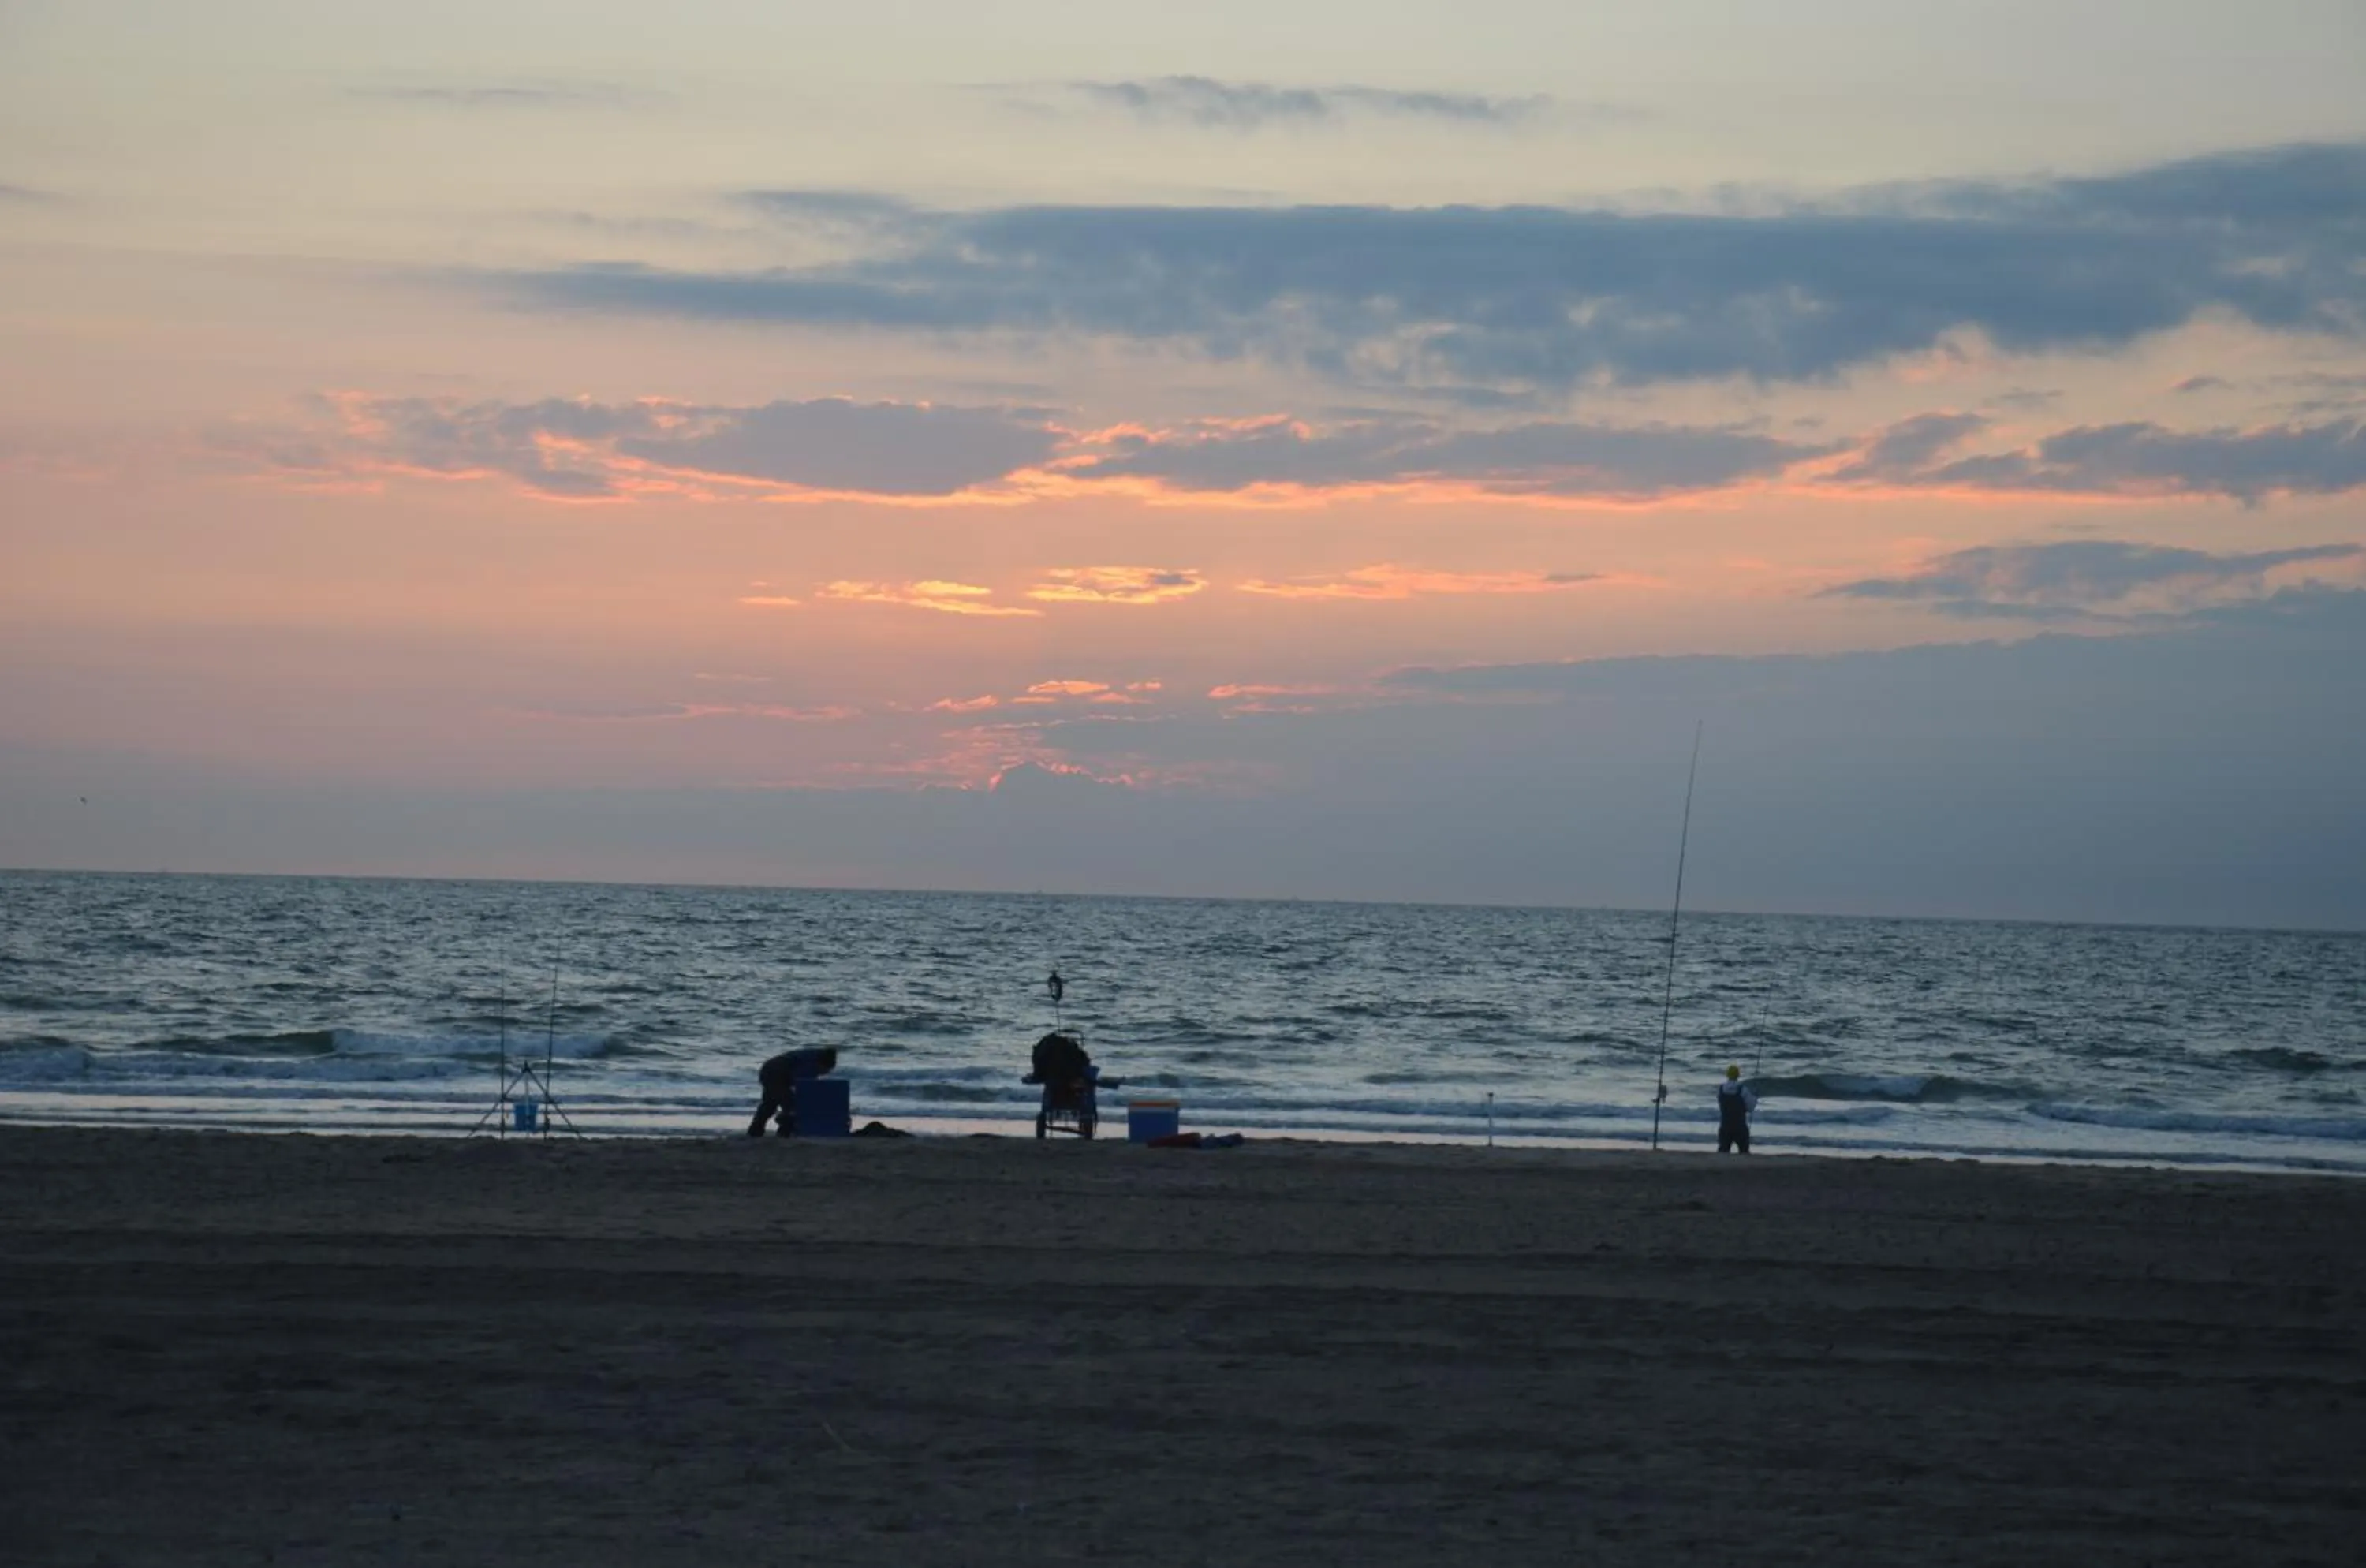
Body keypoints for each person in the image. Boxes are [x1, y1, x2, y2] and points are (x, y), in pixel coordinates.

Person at [747, 1047, 838, 1137]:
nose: (825, 1073)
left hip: (769, 1069)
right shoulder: (809, 1064)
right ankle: (783, 1131)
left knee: (769, 1104)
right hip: (775, 1073)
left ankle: (755, 1131)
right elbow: (804, 1086)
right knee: (791, 1106)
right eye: (825, 1070)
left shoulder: (813, 1056)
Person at [1716, 1062, 1758, 1154]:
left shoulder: (1721, 1089)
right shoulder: (1743, 1090)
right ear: (1738, 1075)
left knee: (1723, 1151)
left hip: (1725, 1126)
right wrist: (1755, 1097)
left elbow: (1721, 1105)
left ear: (1727, 1075)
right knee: (1744, 1151)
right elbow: (1750, 1108)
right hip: (1740, 1126)